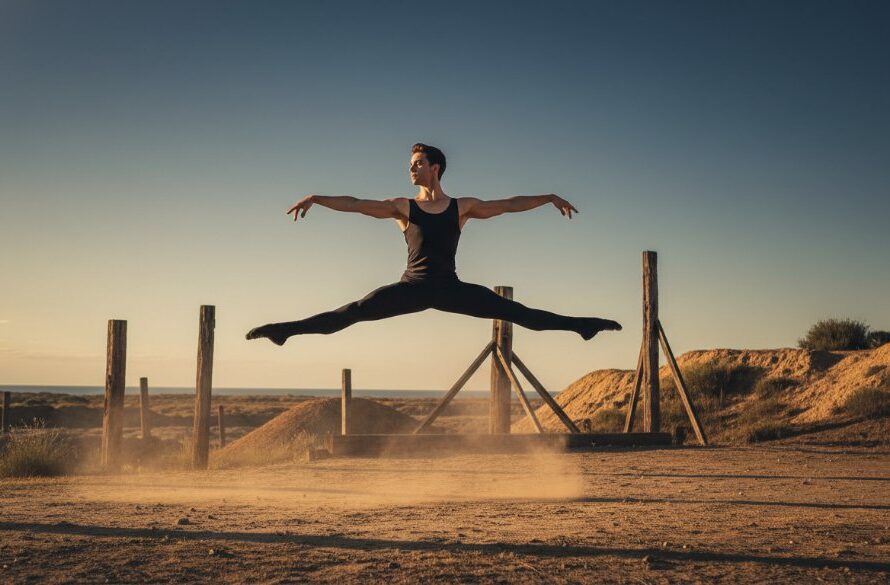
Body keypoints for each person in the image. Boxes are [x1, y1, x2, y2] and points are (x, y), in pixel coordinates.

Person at [246, 143, 621, 346]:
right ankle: (284, 331)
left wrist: (549, 197)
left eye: (418, 162)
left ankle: (582, 326)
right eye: (411, 163)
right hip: (411, 287)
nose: (411, 168)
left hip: (450, 289)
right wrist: (317, 197)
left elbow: (508, 205)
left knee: (518, 312)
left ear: (435, 168)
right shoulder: (402, 207)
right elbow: (357, 204)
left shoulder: (462, 207)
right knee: (353, 311)